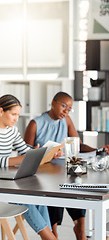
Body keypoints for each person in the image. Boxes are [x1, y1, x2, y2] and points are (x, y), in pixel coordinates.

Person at [24, 91, 109, 240]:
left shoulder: (67, 120)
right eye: (64, 106)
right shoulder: (35, 123)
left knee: (78, 184)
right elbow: (26, 155)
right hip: (45, 172)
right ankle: (53, 232)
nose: (66, 111)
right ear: (52, 103)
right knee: (56, 188)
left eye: (69, 108)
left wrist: (99, 150)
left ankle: (80, 228)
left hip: (66, 168)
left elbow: (79, 145)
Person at [0, 94, 57, 240]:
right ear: (0, 111)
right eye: (13, 114)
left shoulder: (12, 130)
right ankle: (50, 238)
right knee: (22, 197)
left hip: (1, 180)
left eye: (18, 115)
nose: (16, 119)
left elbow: (24, 150)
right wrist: (26, 157)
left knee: (39, 196)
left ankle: (48, 236)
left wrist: (44, 152)